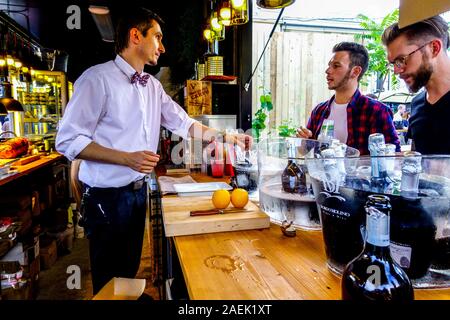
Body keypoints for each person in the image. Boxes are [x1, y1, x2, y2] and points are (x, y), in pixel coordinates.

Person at [55, 7, 251, 294]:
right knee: (109, 282)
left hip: (137, 194)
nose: (162, 46)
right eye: (157, 37)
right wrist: (126, 158)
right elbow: (67, 140)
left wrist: (227, 137)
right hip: (106, 199)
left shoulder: (152, 87)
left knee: (130, 272)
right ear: (136, 36)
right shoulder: (96, 80)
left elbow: (185, 125)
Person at [296, 42, 400, 155]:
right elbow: (305, 151)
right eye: (329, 65)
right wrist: (303, 142)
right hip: (320, 173)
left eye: (336, 66)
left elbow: (392, 157)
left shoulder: (376, 111)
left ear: (355, 71)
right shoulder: (319, 110)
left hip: (361, 173)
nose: (328, 71)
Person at [382, 15, 450, 154]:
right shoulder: (417, 103)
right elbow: (417, 158)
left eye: (401, 59)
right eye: (393, 63)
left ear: (434, 48)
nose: (396, 70)